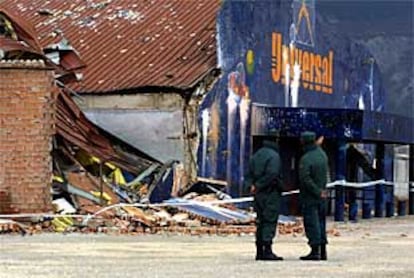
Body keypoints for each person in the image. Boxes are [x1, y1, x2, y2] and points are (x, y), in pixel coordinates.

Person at [244, 132, 284, 261]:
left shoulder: (256, 155)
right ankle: (267, 250)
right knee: (269, 220)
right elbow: (273, 174)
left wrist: (252, 186)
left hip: (258, 195)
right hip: (270, 193)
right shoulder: (274, 156)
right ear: (275, 140)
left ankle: (259, 251)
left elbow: (248, 174)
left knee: (260, 221)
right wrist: (260, 185)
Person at [298, 131, 329, 261]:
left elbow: (305, 179)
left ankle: (314, 250)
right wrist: (322, 191)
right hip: (322, 195)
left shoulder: (306, 158)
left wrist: (316, 191)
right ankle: (323, 250)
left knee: (312, 223)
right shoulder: (322, 155)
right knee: (321, 222)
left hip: (310, 196)